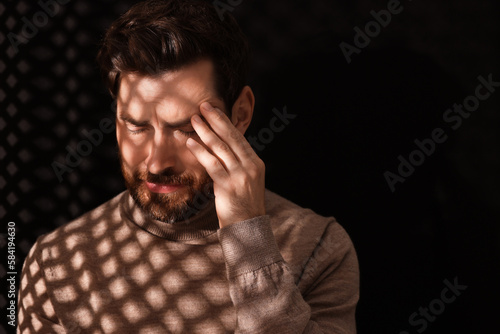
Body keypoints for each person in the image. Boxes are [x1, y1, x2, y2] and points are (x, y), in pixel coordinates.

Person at [17, 0, 359, 333]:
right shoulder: (56, 263)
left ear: (240, 114)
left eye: (186, 129)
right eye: (137, 126)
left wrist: (249, 238)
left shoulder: (319, 248)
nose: (157, 161)